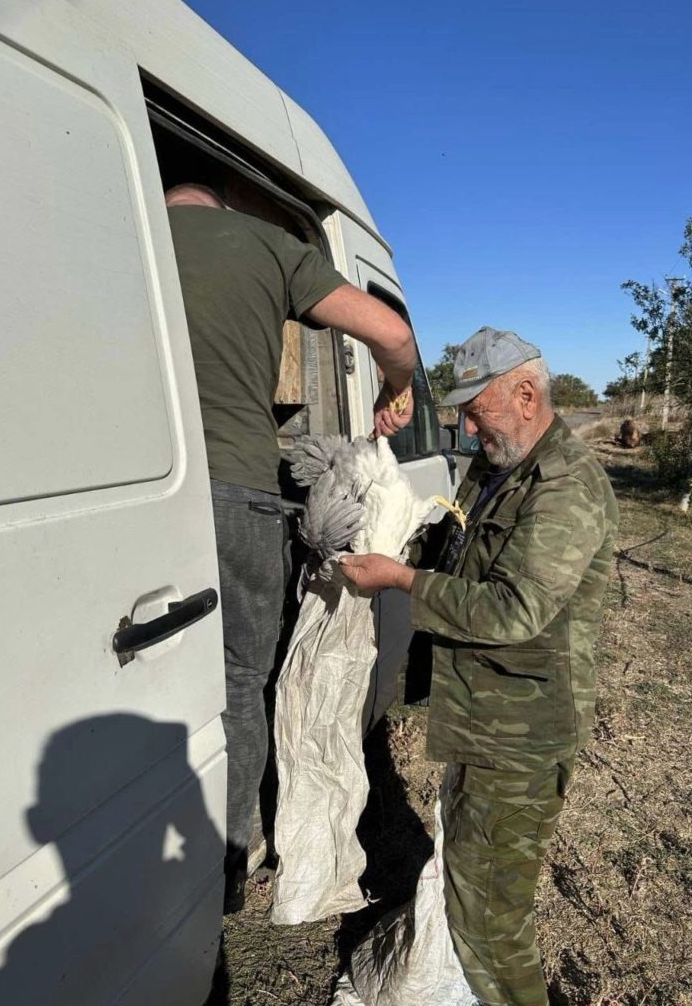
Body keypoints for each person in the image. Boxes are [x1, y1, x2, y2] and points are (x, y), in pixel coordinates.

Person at [341, 327, 618, 1006]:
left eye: (475, 410)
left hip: (521, 734)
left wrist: (403, 582)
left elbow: (512, 612)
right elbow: (457, 541)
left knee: (492, 918)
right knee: (469, 879)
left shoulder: (565, 485)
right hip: (484, 715)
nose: (465, 426)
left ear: (526, 395)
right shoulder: (500, 466)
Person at [165, 183, 416, 912]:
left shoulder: (122, 229)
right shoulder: (267, 243)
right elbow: (392, 337)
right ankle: (229, 859)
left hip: (134, 477)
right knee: (242, 676)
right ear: (218, 207)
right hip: (233, 487)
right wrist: (392, 391)